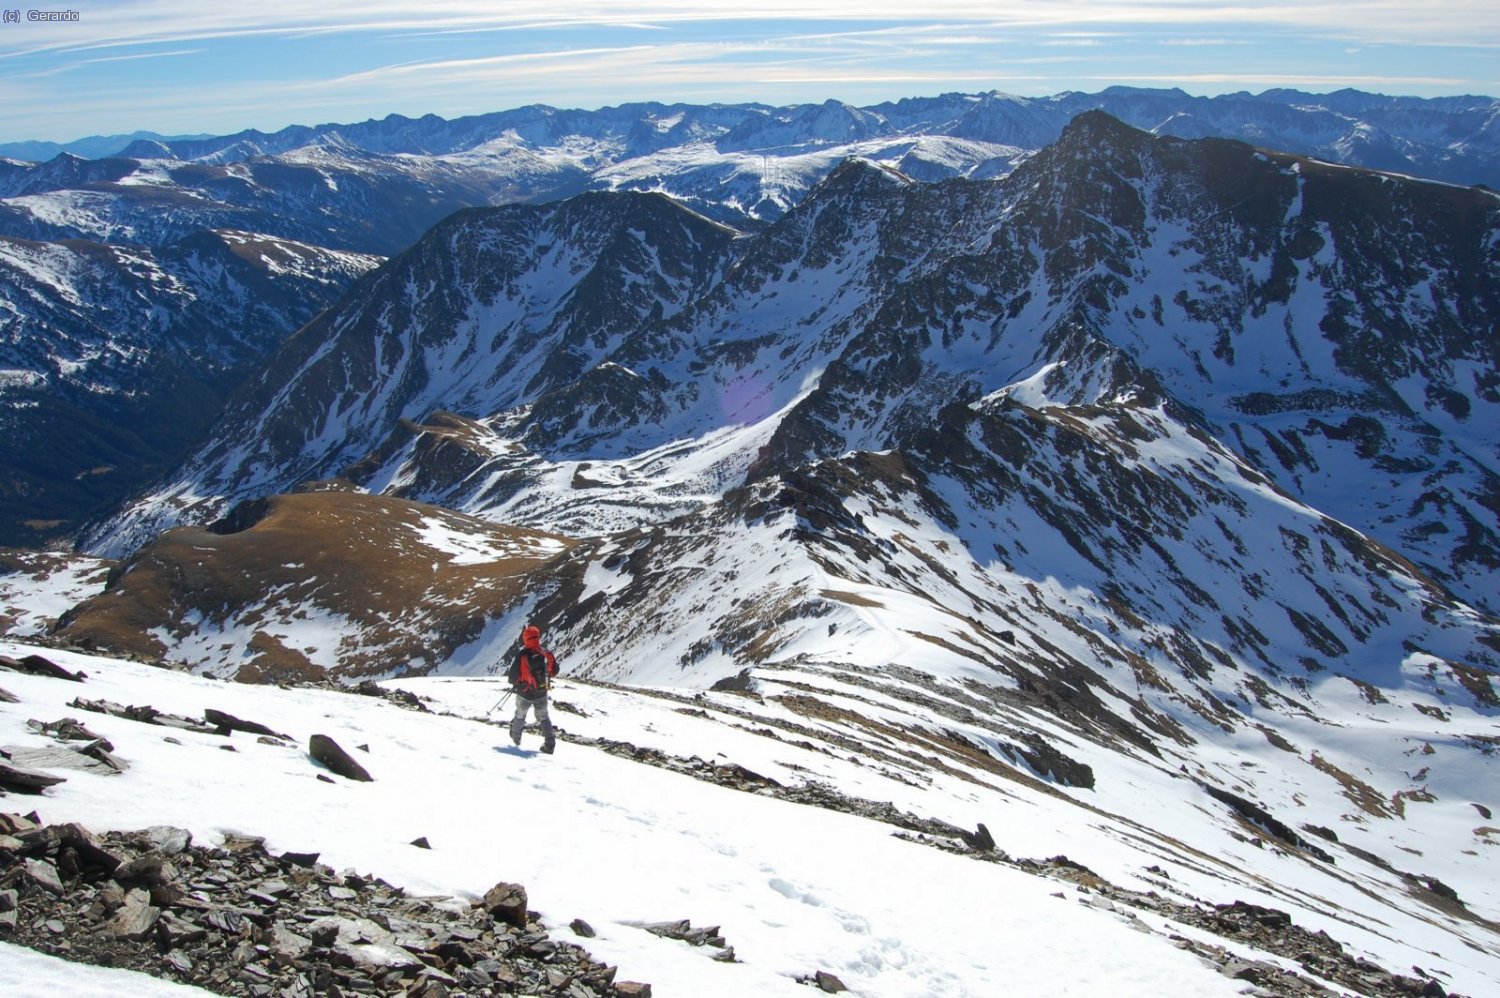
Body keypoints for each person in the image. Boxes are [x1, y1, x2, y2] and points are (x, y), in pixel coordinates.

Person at [507, 625, 559, 753]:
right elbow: (555, 670)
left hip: (524, 693)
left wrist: (517, 683)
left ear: (525, 638)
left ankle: (516, 741)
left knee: (520, 715)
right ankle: (549, 744)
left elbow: (512, 677)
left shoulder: (522, 655)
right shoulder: (545, 653)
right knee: (543, 717)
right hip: (542, 691)